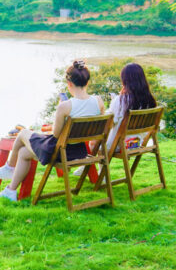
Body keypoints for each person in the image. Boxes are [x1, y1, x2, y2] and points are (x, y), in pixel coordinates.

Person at [0, 60, 104, 202]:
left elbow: (56, 134)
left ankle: (9, 167)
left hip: (59, 153)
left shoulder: (66, 106)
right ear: (87, 82)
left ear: (69, 84)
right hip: (80, 151)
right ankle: (11, 191)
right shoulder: (99, 101)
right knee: (24, 153)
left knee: (23, 133)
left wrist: (60, 109)